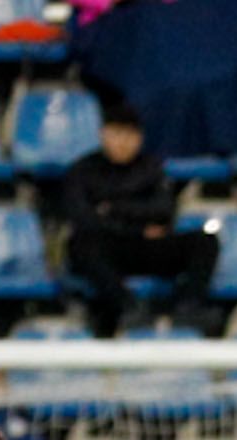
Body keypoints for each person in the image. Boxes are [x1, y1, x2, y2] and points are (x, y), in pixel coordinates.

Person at [62, 102, 220, 337]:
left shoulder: (151, 168)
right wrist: (136, 228)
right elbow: (84, 219)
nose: (123, 142)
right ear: (102, 134)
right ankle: (128, 307)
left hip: (148, 247)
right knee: (81, 244)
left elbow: (164, 210)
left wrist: (113, 209)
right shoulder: (83, 171)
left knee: (205, 240)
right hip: (111, 248)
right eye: (117, 134)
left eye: (130, 135)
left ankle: (187, 307)